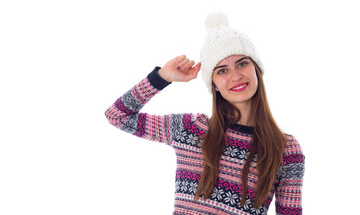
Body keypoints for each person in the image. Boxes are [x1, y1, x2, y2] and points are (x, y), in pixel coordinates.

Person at [105, 13, 305, 215]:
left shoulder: (285, 149)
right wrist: (162, 77)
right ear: (214, 85)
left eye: (242, 63)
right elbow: (117, 115)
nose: (236, 76)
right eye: (222, 71)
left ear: (257, 69)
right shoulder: (190, 129)